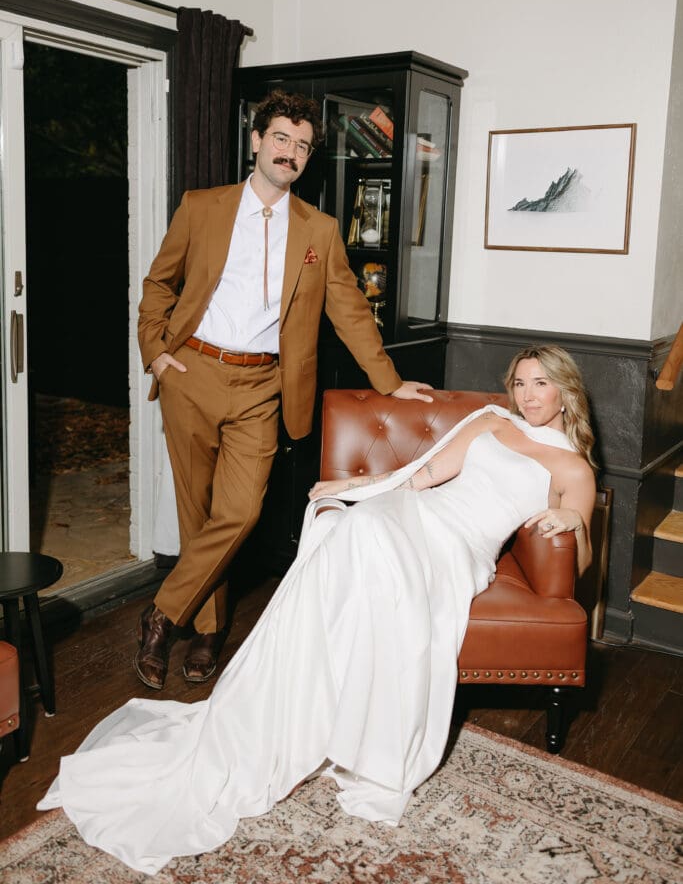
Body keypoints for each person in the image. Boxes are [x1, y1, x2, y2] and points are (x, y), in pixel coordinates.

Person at [39, 345, 596, 875]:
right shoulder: (490, 421)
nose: (527, 394)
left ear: (565, 393)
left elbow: (583, 561)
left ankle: (352, 727)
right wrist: (353, 487)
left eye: (540, 384)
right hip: (415, 515)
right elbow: (422, 475)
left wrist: (574, 523)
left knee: (366, 543)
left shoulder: (573, 470)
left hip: (459, 547)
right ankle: (301, 701)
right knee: (352, 524)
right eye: (520, 382)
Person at [136, 89, 432, 690]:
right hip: (191, 373)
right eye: (280, 139)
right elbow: (159, 283)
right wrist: (158, 355)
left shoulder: (319, 228)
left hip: (263, 385)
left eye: (301, 146)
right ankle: (210, 630)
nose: (290, 153)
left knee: (240, 511)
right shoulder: (203, 206)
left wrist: (391, 383)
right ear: (256, 141)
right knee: (198, 512)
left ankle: (162, 615)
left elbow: (350, 310)